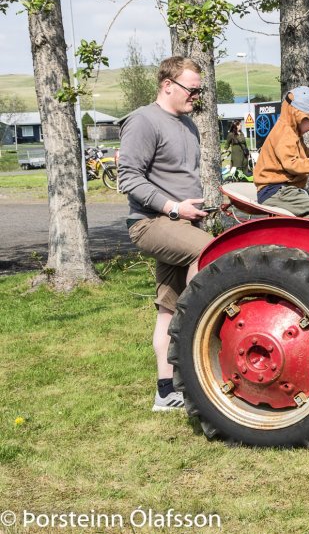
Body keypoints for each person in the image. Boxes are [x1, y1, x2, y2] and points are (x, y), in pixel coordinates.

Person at [118, 56, 214, 412]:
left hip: (184, 224)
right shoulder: (143, 121)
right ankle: (202, 349)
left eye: (199, 91)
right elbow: (128, 178)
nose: (196, 96)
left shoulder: (188, 124)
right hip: (152, 223)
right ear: (167, 85)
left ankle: (165, 392)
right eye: (192, 89)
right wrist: (175, 209)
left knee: (168, 308)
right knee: (213, 255)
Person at [252, 86, 309, 221]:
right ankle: (308, 242)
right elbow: (291, 164)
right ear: (299, 116)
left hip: (287, 189)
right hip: (274, 190)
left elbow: (305, 152)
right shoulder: (285, 133)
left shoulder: (293, 132)